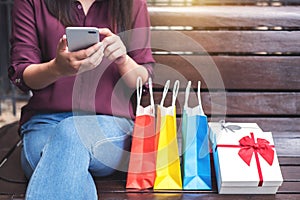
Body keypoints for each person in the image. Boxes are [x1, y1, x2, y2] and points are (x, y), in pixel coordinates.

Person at [9, 0, 155, 199]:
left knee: (71, 132)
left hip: (111, 125)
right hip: (45, 124)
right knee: (67, 162)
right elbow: (22, 73)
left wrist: (123, 59)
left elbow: (141, 81)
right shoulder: (32, 3)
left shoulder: (132, 4)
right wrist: (57, 68)